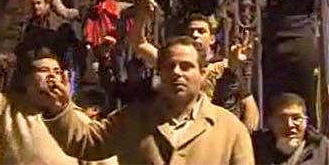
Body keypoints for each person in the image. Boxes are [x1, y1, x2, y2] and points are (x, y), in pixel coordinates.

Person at [40, 36, 254, 165]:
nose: (177, 73)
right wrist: (59, 110)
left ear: (203, 72)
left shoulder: (230, 129)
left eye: (186, 66)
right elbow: (85, 143)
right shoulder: (131, 118)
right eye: (170, 67)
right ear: (159, 72)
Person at [0, 20, 87, 165]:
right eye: (44, 70)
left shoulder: (78, 120)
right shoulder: (8, 109)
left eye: (57, 72)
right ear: (27, 80)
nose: (52, 76)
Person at [128, 0, 259, 131]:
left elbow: (249, 104)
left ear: (212, 39)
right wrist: (142, 14)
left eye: (201, 31)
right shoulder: (174, 63)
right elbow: (138, 43)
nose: (195, 35)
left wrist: (243, 138)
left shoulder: (223, 66)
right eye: (191, 32)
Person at [253, 93, 329, 165]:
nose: (290, 125)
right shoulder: (257, 147)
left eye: (296, 118)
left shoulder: (322, 148)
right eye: (282, 119)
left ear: (305, 121)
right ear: (270, 122)